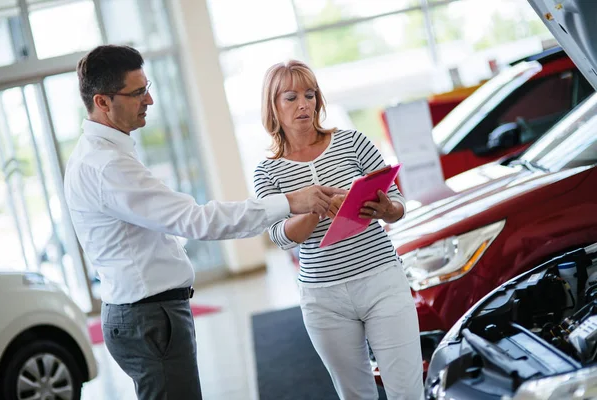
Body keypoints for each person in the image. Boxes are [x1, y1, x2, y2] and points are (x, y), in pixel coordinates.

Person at [64, 45, 345, 400]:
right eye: (137, 93)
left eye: (147, 86)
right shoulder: (106, 165)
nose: (149, 99)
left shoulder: (100, 155)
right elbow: (196, 221)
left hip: (145, 315)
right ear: (102, 102)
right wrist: (290, 201)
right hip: (149, 318)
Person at [253, 60, 424, 400]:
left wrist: (388, 209)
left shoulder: (352, 142)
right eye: (291, 97)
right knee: (355, 395)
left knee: (407, 391)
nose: (304, 104)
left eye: (310, 94)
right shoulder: (266, 172)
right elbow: (280, 235)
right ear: (273, 105)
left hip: (381, 280)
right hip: (323, 298)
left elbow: (397, 201)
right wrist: (313, 208)